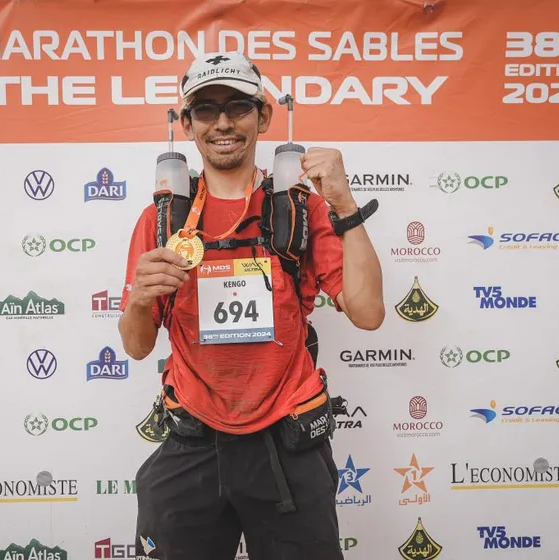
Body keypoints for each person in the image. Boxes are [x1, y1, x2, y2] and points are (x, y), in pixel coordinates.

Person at [118, 52, 385, 560]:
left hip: (288, 439)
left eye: (238, 107)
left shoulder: (301, 208)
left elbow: (368, 313)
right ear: (187, 125)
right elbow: (136, 346)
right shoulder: (162, 219)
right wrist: (139, 298)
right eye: (205, 109)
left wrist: (345, 204)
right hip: (194, 438)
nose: (222, 123)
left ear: (263, 117)